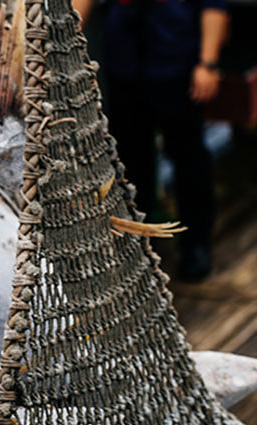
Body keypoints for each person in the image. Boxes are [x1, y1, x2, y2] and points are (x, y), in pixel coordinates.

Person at [73, 0, 229, 281]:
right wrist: (68, 45)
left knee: (188, 156)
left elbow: (213, 5)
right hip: (124, 64)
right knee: (130, 162)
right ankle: (139, 246)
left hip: (176, 62)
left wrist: (208, 63)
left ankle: (195, 245)